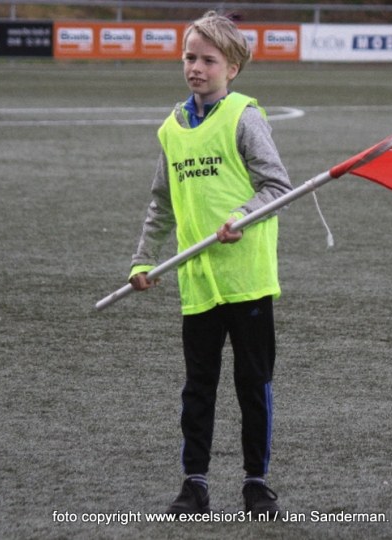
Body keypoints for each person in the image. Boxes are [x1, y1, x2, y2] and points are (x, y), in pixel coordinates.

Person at [127, 11, 292, 518]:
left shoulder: (245, 117)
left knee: (252, 385)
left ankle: (256, 484)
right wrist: (143, 258)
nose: (195, 68)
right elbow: (162, 201)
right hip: (197, 285)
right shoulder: (172, 129)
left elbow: (278, 187)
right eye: (189, 58)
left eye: (208, 60)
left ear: (233, 68)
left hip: (246, 282)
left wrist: (242, 215)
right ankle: (194, 484)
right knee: (198, 388)